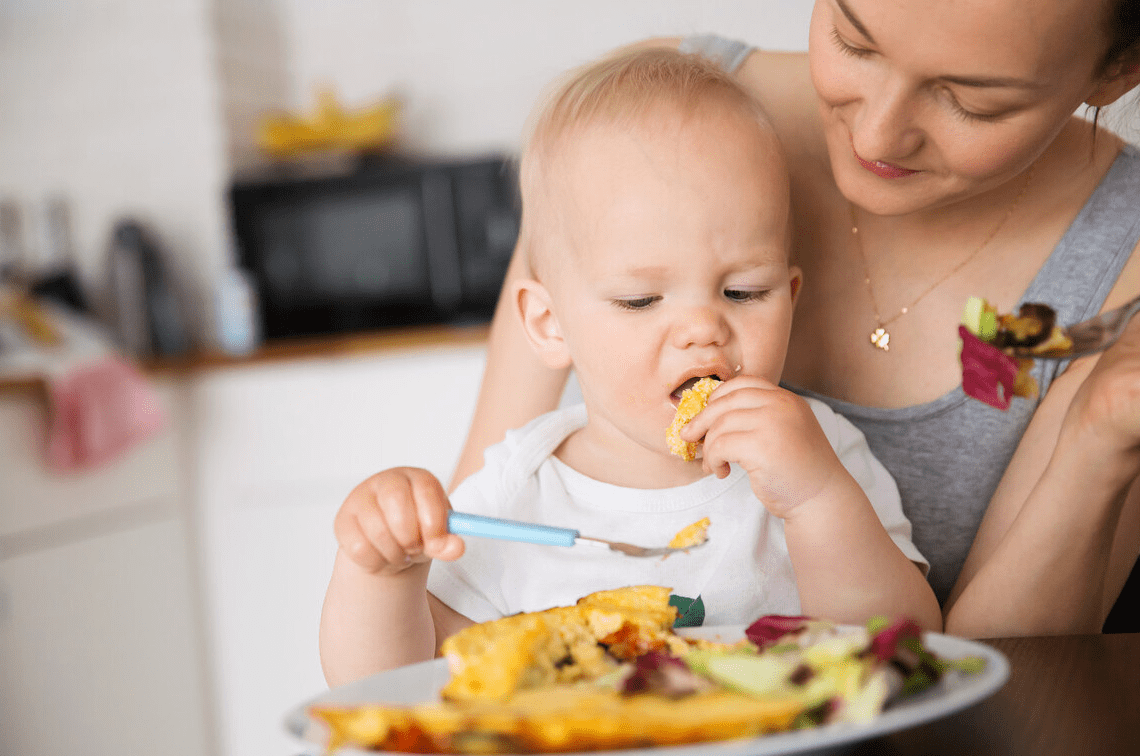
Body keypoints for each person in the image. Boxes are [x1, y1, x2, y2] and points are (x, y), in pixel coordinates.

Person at [452, 0, 1140, 639]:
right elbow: (449, 594)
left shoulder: (831, 458)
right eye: (853, 40)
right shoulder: (635, 121)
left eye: (973, 101)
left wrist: (1100, 437)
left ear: (1117, 70)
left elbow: (977, 679)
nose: (876, 134)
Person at [319, 48, 941, 685]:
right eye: (641, 300)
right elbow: (393, 683)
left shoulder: (819, 452)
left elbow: (908, 649)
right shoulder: (520, 489)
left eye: (744, 292)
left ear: (792, 298)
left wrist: (817, 501)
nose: (704, 328)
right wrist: (382, 576)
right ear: (548, 324)